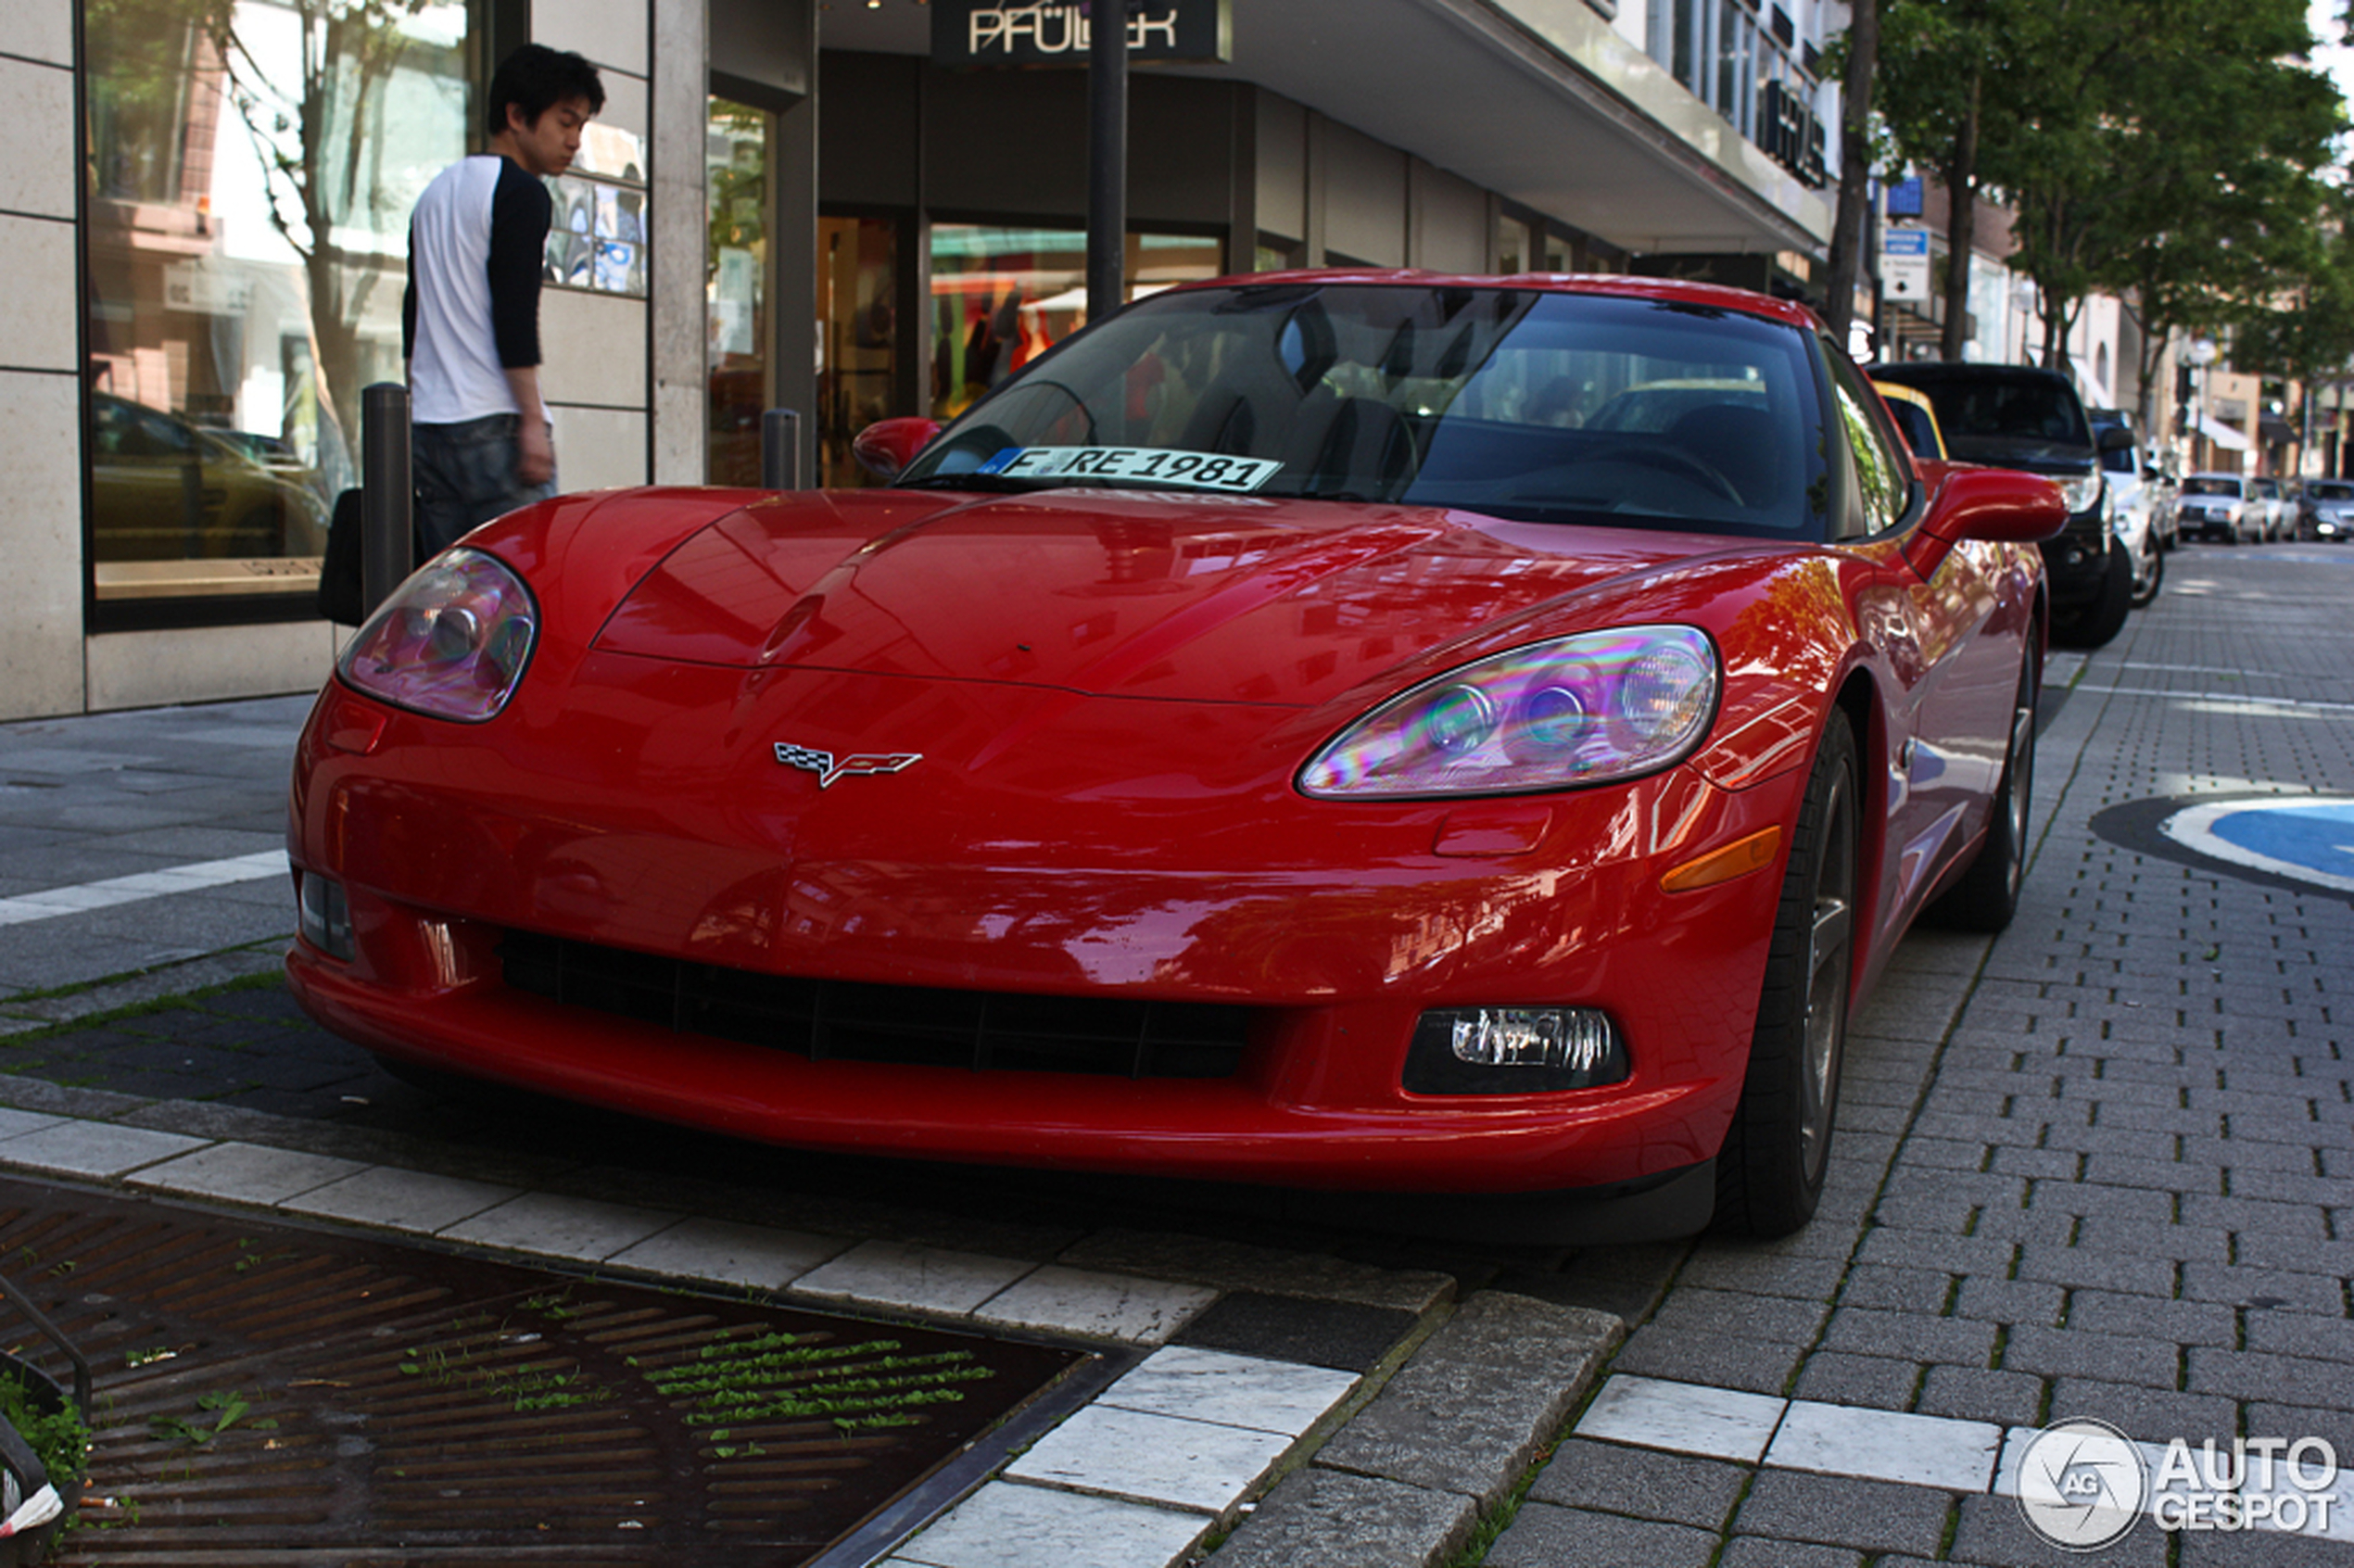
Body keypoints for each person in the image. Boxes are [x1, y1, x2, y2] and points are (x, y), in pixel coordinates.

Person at [403, 44, 605, 556]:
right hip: (494, 427)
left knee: (450, 601)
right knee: (525, 590)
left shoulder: (433, 195)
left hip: (429, 428)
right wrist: (533, 422)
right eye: (565, 122)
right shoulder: (521, 193)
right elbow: (514, 313)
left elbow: (414, 313)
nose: (574, 141)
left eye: (580, 126)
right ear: (516, 116)